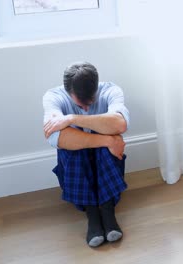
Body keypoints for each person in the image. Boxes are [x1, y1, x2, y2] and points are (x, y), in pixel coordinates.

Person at [42, 62, 130, 248]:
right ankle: (92, 214)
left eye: (91, 99)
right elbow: (55, 138)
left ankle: (107, 211)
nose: (88, 106)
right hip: (76, 165)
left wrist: (71, 119)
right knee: (78, 146)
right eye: (81, 102)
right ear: (68, 92)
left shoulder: (110, 90)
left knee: (107, 136)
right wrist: (107, 140)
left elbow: (120, 124)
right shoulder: (53, 97)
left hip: (106, 160)